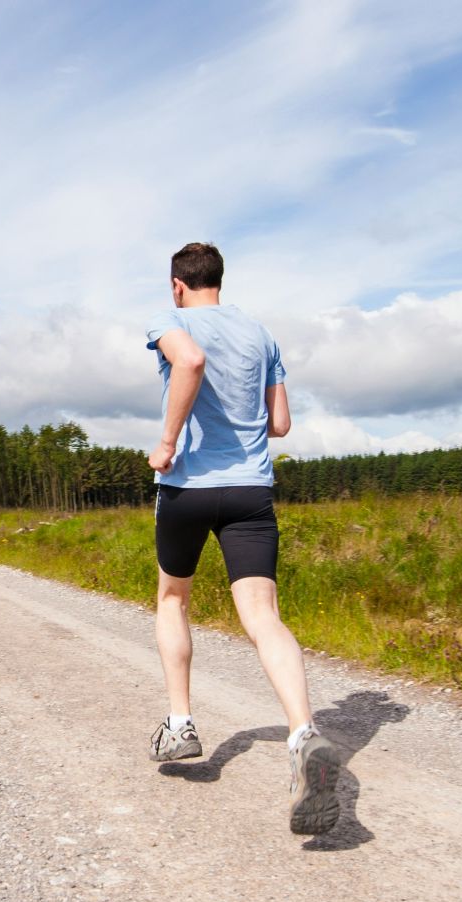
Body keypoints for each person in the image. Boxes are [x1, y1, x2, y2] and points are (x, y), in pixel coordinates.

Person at [143, 241, 339, 835]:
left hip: (187, 489)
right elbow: (279, 423)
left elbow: (191, 362)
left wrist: (169, 442)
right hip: (251, 490)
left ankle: (181, 725)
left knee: (174, 598)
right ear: (218, 281)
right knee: (262, 615)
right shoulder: (260, 334)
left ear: (178, 285)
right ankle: (304, 732)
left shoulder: (170, 321)